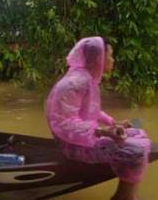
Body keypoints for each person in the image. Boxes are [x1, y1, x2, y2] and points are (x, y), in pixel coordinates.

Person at [46, 36, 151, 200]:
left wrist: (113, 123)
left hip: (83, 135)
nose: (112, 60)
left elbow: (90, 110)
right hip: (71, 144)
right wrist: (103, 132)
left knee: (137, 132)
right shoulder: (75, 83)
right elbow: (64, 124)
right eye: (110, 55)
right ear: (99, 58)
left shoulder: (86, 79)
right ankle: (123, 197)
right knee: (135, 151)